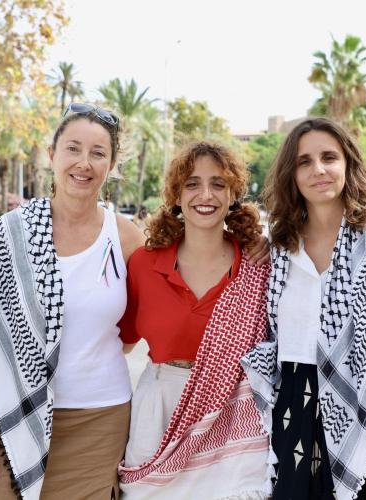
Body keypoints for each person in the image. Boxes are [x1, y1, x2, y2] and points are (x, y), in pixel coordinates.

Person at [0, 103, 145, 500]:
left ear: (111, 165)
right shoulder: (11, 232)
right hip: (11, 413)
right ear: (51, 155)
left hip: (99, 419)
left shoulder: (125, 237)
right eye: (73, 149)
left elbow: (139, 324)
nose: (84, 163)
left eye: (98, 153)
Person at [246, 118, 366, 500]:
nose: (318, 169)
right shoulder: (278, 247)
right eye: (304, 161)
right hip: (294, 410)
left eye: (329, 157)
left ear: (348, 163)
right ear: (291, 174)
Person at [118, 142, 273, 499]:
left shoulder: (257, 267)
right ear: (176, 195)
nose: (206, 195)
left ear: (233, 195)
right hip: (159, 412)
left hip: (233, 418)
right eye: (192, 184)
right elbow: (121, 343)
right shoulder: (143, 264)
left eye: (218, 184)